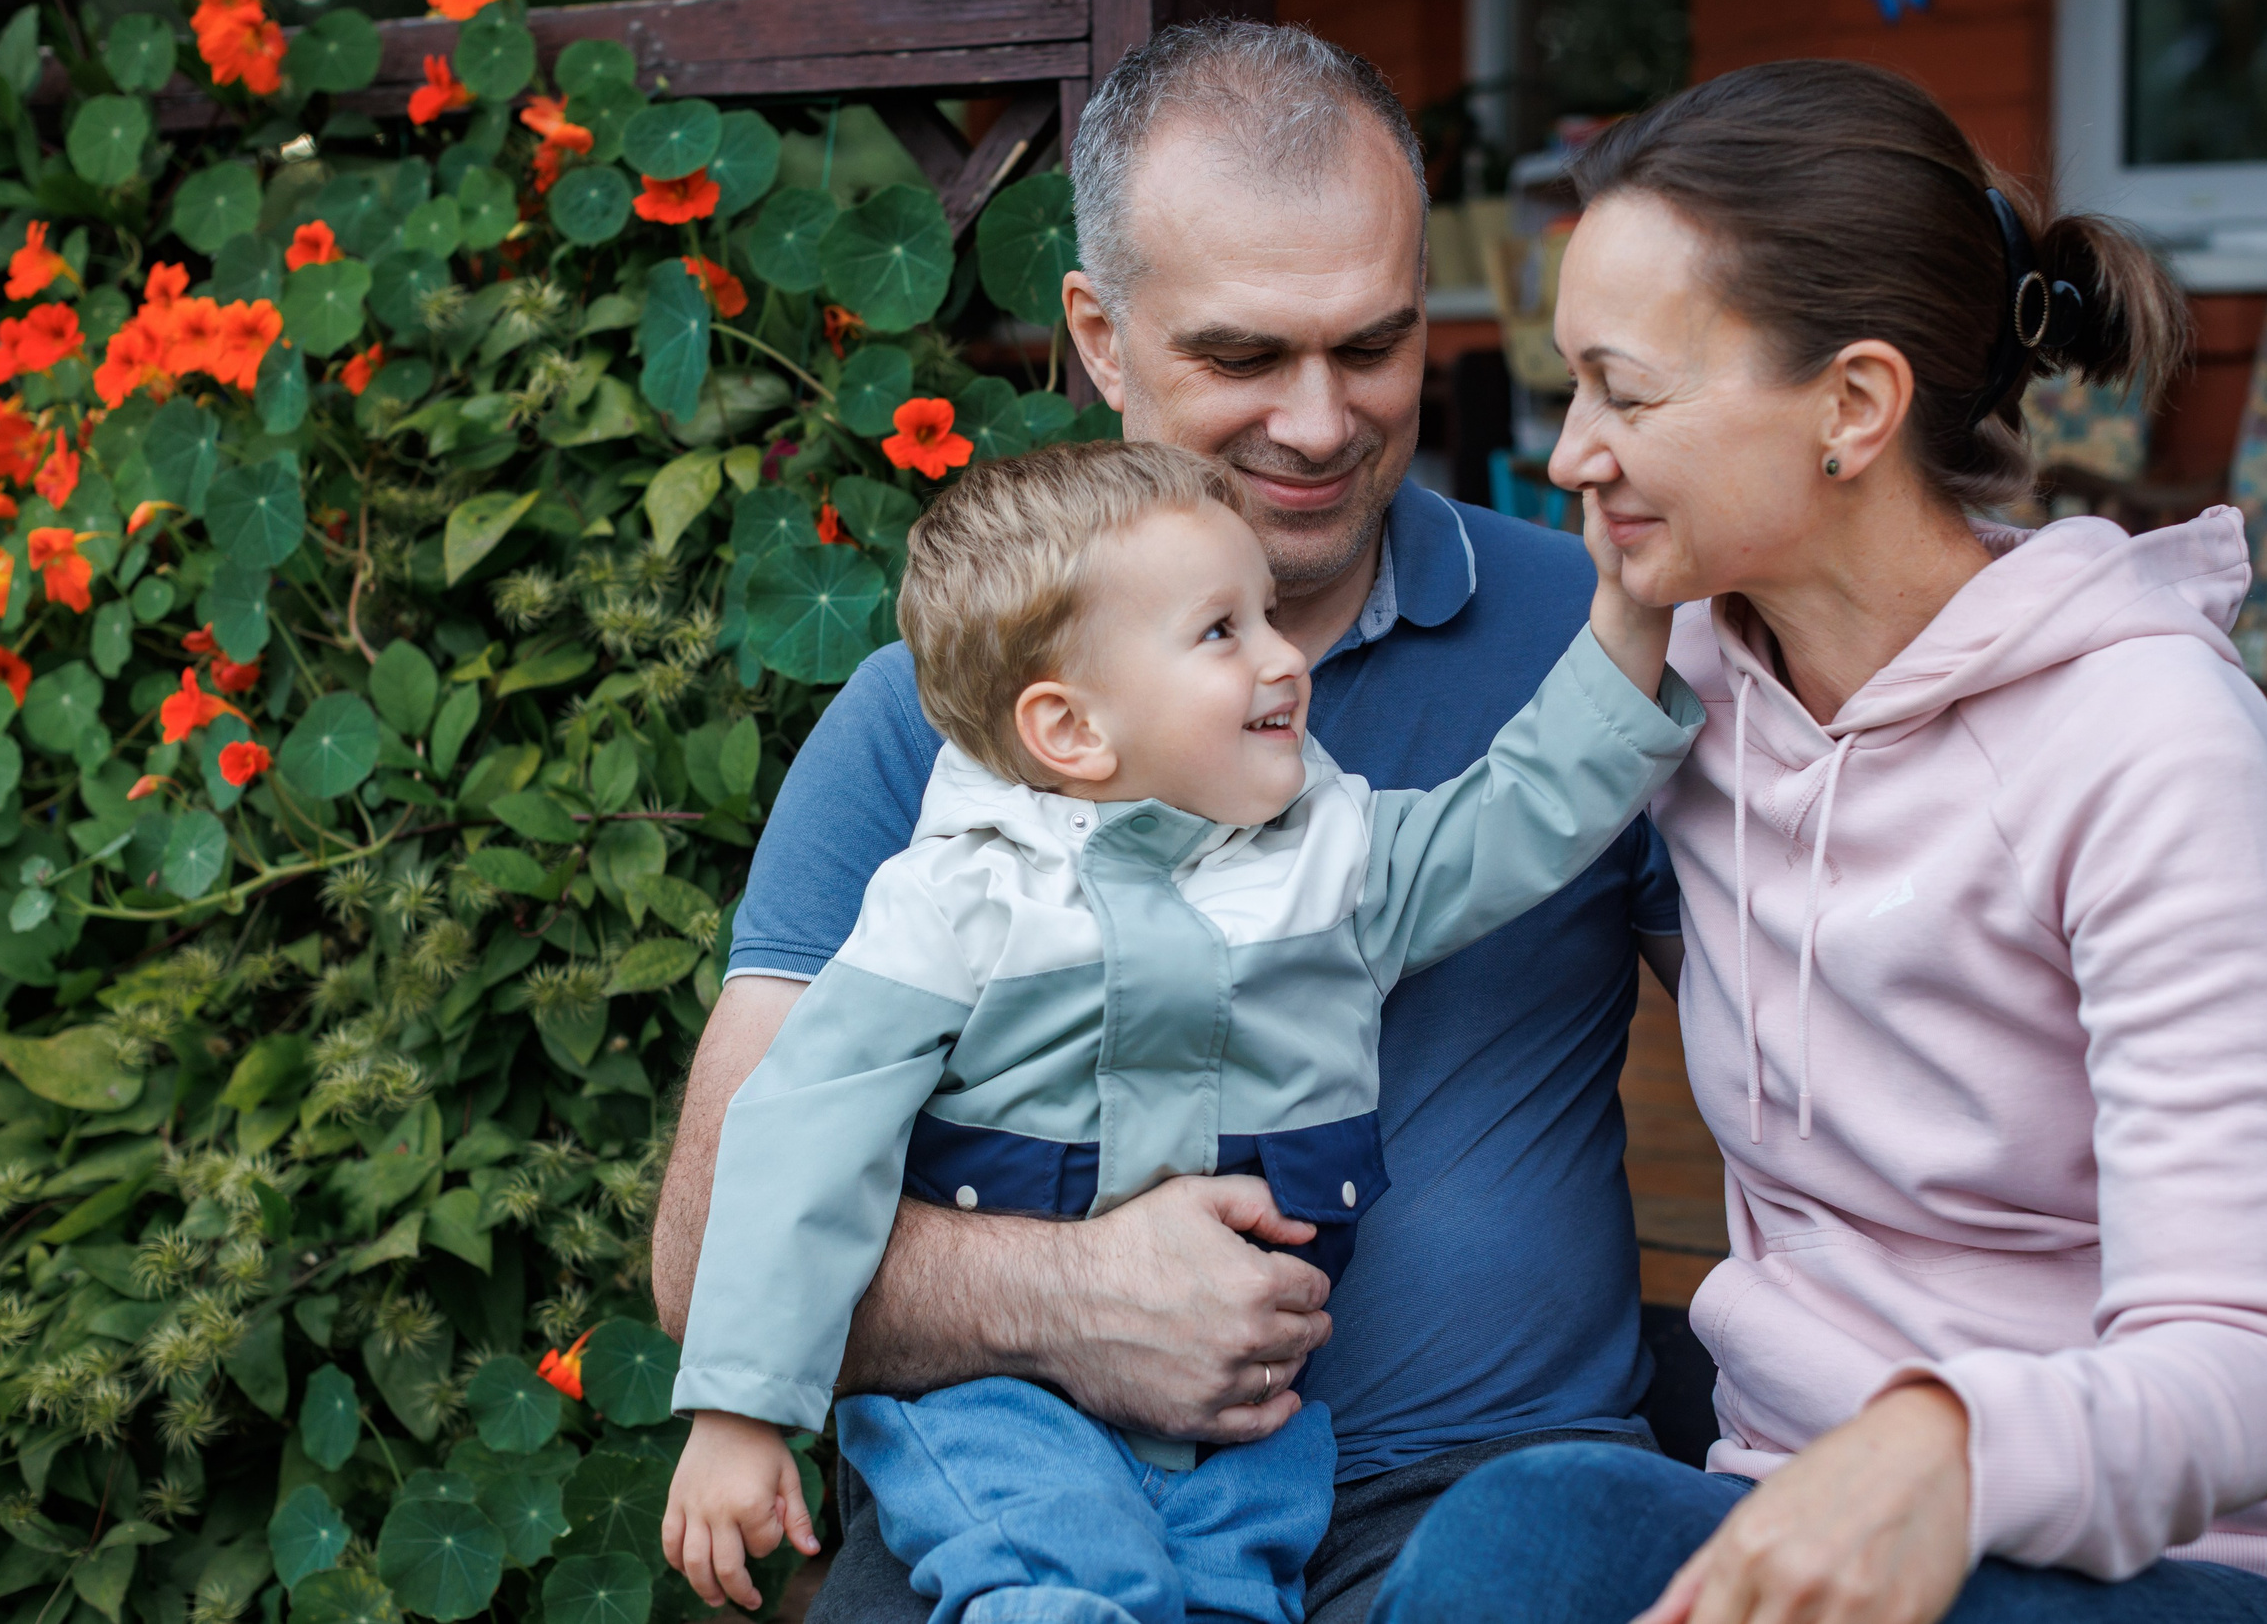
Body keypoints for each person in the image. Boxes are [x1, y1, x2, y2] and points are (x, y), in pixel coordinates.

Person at [649, 22, 2267, 1624]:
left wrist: (2225, 1081)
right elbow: (718, 1227)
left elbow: (1951, 985)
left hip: (1501, 1507)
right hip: (1056, 1476)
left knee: (1525, 1543)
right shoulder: (963, 708)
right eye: (1245, 354)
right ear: (1100, 339)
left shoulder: (1630, 647)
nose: (1325, 420)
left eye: (1380, 344)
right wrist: (1060, 1301)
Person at [1365, 62, 2267, 1624]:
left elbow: (2247, 1372)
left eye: (1626, 390)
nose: (1574, 450)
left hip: (2177, 1563)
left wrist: (1942, 1448)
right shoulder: (1674, 684)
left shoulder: (2147, 734)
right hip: (1786, 1512)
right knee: (1514, 1533)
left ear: (1854, 406)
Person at [661, 441, 1698, 1624]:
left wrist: (1627, 621)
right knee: (1052, 1575)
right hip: (998, 1406)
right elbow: (799, 1137)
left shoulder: (1334, 855)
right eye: (1223, 632)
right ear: (1070, 729)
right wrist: (743, 1414)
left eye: (1268, 614)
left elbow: (1515, 817)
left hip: (1252, 1418)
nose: (1282, 656)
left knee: (1226, 1589)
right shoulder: (953, 903)